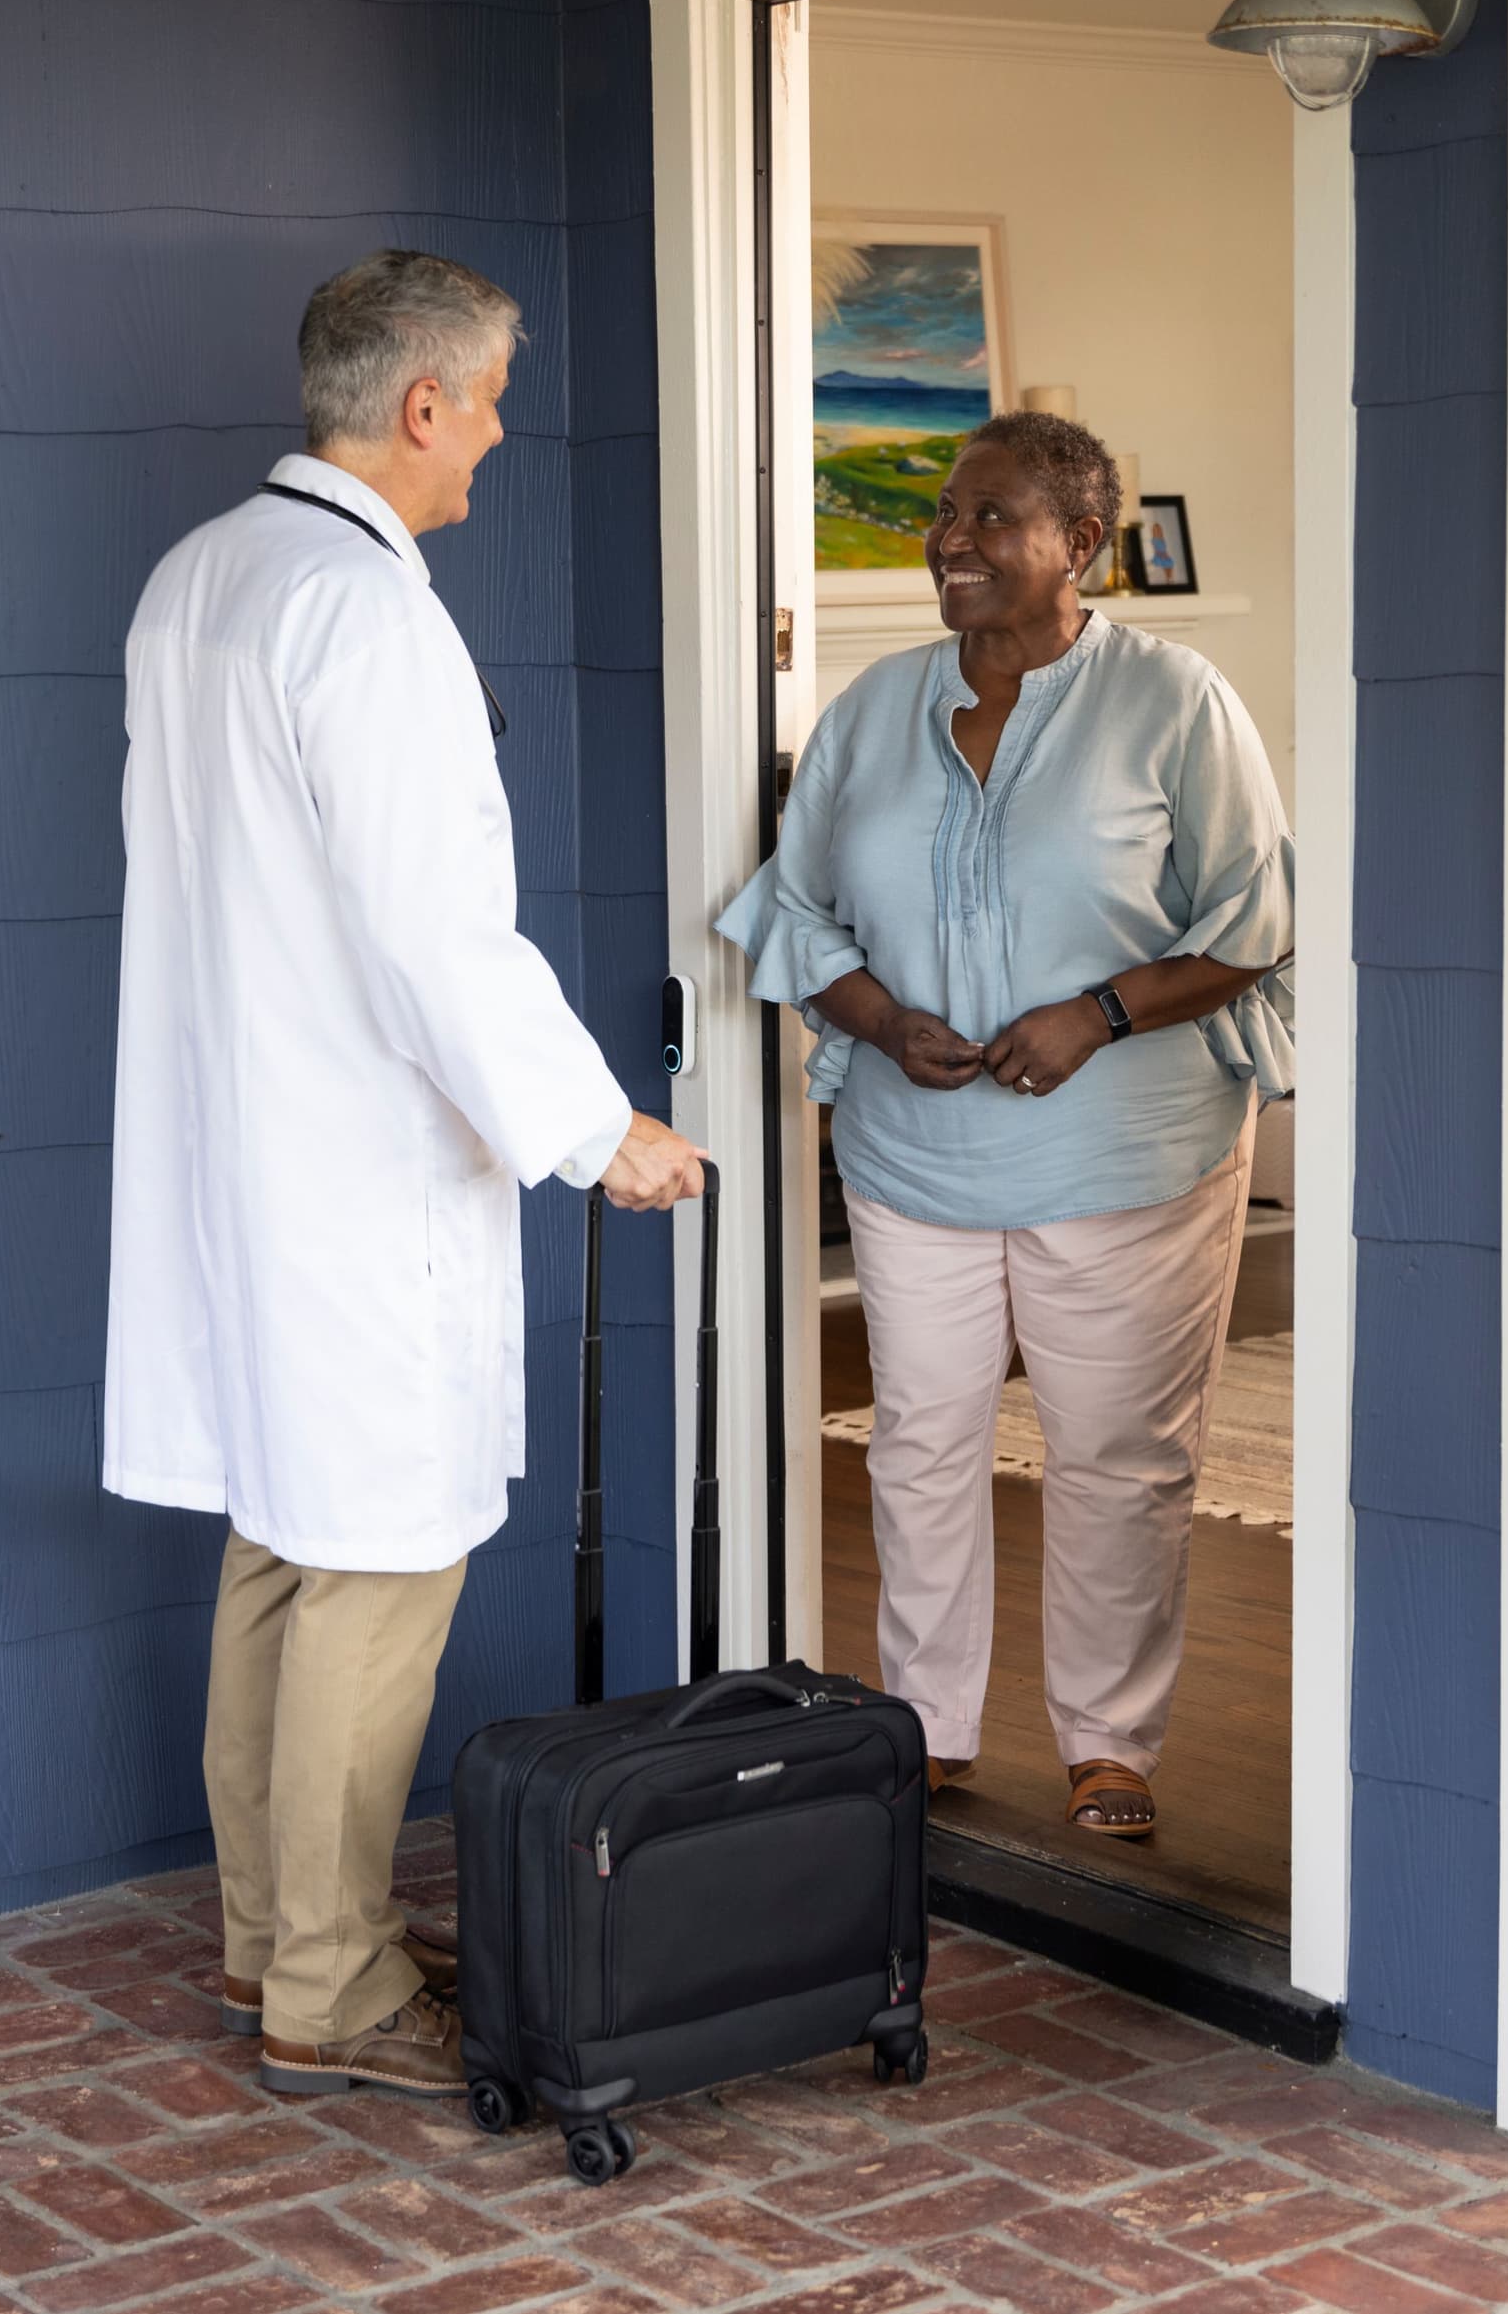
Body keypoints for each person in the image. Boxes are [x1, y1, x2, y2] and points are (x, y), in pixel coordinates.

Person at [105, 250, 705, 2100]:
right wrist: (601, 1129)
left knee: (282, 1547)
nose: (501, 436)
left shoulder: (199, 578)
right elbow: (434, 938)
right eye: (494, 400)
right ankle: (336, 1988)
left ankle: (268, 1940)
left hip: (243, 1150)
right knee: (377, 1561)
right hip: (354, 1170)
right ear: (421, 405)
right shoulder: (367, 618)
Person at [718, 412, 1290, 1840]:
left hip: (1129, 1155)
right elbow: (796, 910)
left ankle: (1109, 1738)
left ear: (1081, 545)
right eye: (948, 515)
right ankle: (927, 1727)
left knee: (1115, 1449)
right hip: (915, 1152)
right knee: (918, 1434)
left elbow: (1256, 924)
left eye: (993, 519)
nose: (951, 542)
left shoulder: (1175, 699)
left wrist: (1095, 1012)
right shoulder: (871, 709)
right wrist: (875, 1018)